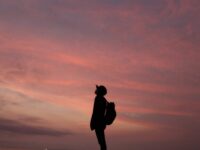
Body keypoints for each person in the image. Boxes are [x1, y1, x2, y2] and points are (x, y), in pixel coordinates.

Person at [90, 85, 107, 150]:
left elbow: (97, 113)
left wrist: (93, 123)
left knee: (102, 143)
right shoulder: (103, 100)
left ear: (100, 92)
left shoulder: (98, 98)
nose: (96, 90)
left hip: (98, 124)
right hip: (101, 124)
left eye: (98, 89)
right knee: (102, 143)